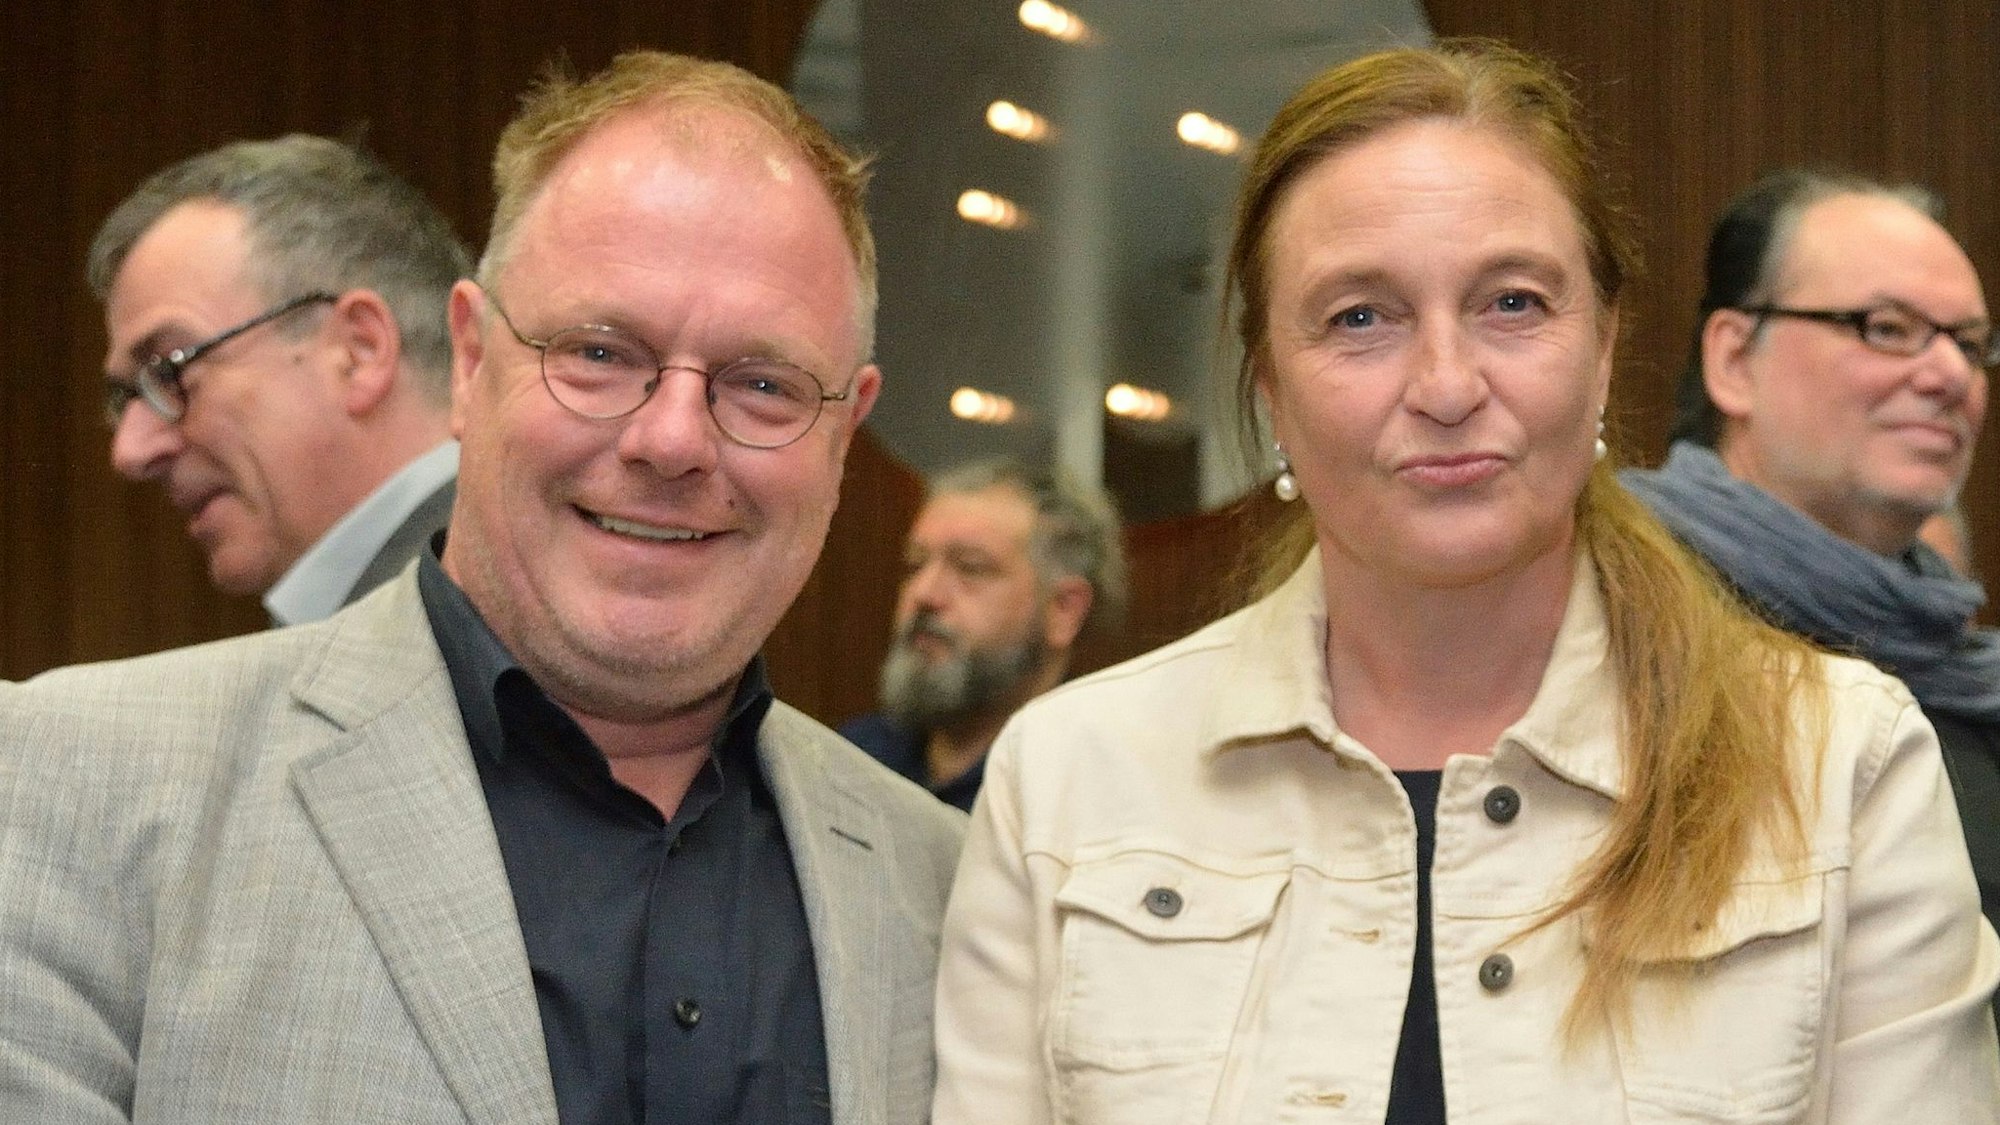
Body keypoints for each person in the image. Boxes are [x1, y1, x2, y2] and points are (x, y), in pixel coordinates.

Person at [930, 42, 2000, 1124]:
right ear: (1268, 396)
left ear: (1601, 348)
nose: (1445, 385)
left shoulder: (1837, 766)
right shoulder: (1069, 784)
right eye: (1359, 317)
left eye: (1512, 304)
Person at [1, 51, 964, 1124]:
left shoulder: (949, 887)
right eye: (599, 351)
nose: (672, 438)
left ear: (845, 428)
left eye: (763, 384)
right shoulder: (73, 790)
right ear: (467, 360)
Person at [1622, 168, 2000, 1017]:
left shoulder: (1966, 678)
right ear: (1732, 361)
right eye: (1888, 327)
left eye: (1970, 342)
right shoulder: (1614, 628)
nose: (1948, 374)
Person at [90, 134, 469, 625]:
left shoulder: (479, 613)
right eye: (128, 396)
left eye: (169, 370)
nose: (131, 452)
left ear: (359, 352)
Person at [840, 457, 1126, 811]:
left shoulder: (1091, 795)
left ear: (1063, 609)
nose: (924, 593)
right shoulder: (851, 761)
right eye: (915, 565)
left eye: (970, 568)